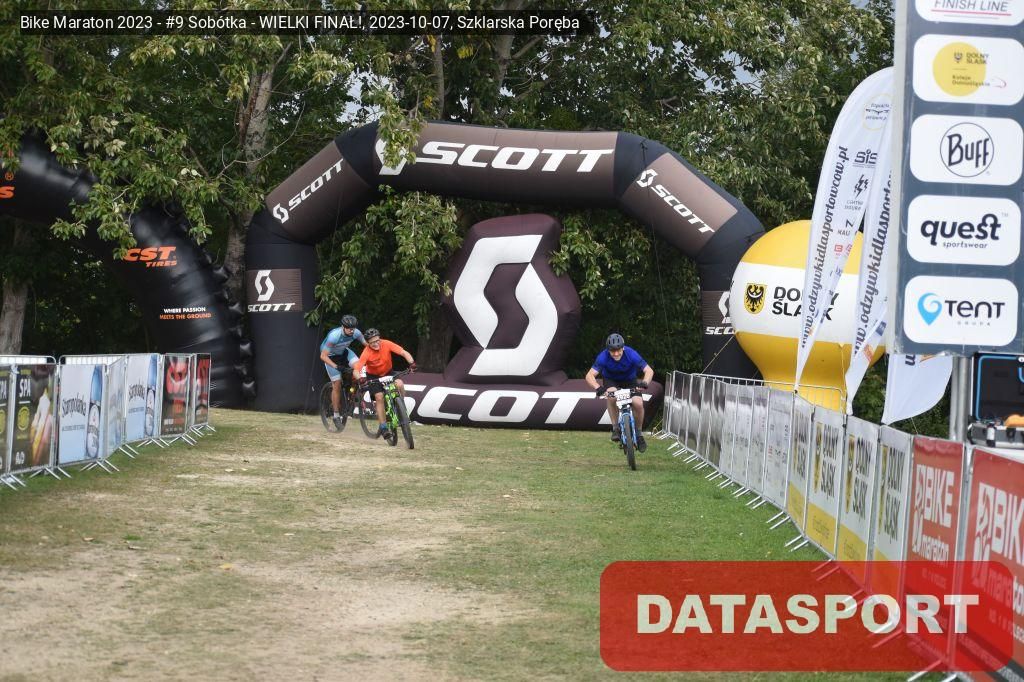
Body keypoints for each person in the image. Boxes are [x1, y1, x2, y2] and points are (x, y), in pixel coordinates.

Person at [585, 333, 654, 452]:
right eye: (612, 351)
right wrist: (598, 388)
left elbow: (649, 370)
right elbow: (589, 375)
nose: (616, 354)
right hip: (611, 380)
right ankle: (615, 428)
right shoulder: (603, 357)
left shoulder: (631, 354)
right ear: (608, 350)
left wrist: (645, 382)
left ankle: (639, 434)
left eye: (618, 350)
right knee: (611, 396)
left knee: (638, 403)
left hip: (630, 380)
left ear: (623, 348)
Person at [353, 328, 417, 439]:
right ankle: (383, 427)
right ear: (368, 343)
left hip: (388, 372)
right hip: (373, 376)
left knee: (400, 384)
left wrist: (412, 363)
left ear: (380, 338)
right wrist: (360, 379)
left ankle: (401, 408)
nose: (376, 344)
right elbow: (356, 370)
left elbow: (403, 352)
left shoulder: (386, 344)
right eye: (372, 342)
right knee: (379, 397)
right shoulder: (366, 352)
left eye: (377, 340)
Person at [319, 314, 365, 426]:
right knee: (337, 383)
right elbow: (323, 356)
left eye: (353, 328)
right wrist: (336, 366)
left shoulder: (356, 332)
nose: (352, 331)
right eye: (349, 328)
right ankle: (336, 415)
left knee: (360, 368)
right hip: (330, 357)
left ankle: (353, 393)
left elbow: (367, 345)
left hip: (344, 352)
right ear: (343, 327)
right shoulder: (334, 336)